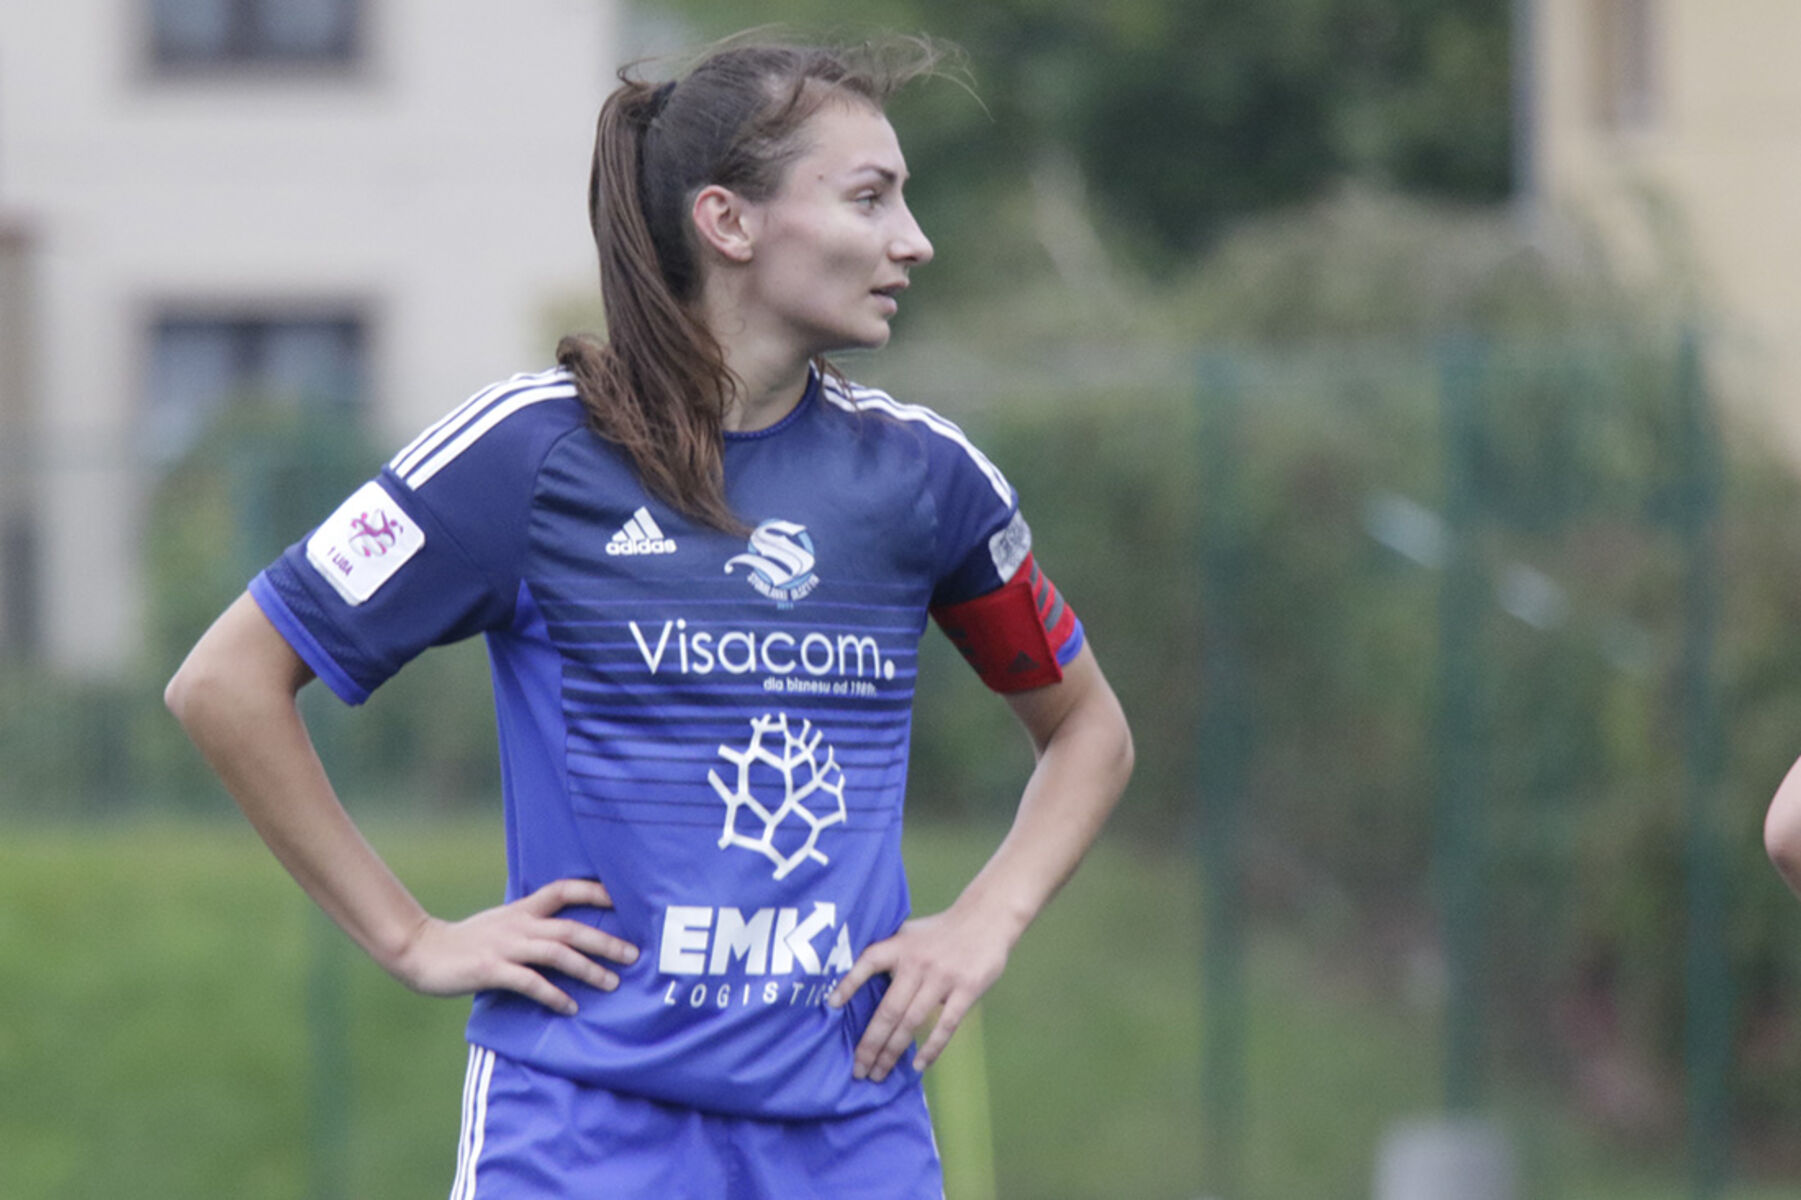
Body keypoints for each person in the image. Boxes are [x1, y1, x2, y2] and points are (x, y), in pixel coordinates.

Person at [165, 33, 1133, 1199]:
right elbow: (226, 683)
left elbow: (1087, 730)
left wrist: (985, 921)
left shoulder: (927, 481)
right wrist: (412, 938)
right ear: (728, 221)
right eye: (869, 198)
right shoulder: (526, 456)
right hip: (578, 1134)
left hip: (851, 1131)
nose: (912, 240)